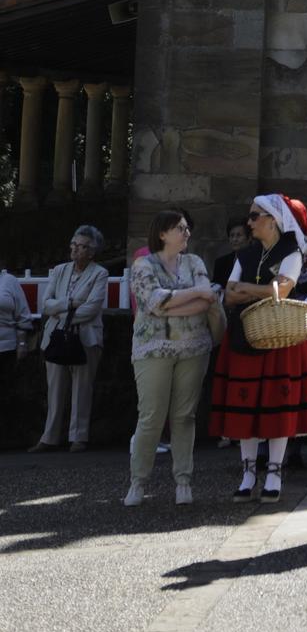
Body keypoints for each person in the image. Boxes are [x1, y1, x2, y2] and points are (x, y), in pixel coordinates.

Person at [209, 194, 307, 497]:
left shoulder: (292, 252)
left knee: (278, 403)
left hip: (281, 337)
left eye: (253, 216)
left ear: (271, 220)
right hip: (244, 334)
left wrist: (246, 288)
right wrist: (259, 291)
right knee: (245, 404)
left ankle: (274, 472)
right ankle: (248, 473)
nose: (249, 222)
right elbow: (229, 295)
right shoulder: (246, 255)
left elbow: (284, 288)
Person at [124, 210, 221, 508]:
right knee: (151, 416)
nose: (187, 232)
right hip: (153, 349)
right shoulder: (143, 265)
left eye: (186, 228)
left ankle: (183, 480)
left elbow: (206, 302)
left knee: (184, 416)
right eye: (180, 228)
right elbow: (153, 301)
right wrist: (194, 294)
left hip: (193, 348)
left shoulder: (194, 262)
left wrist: (171, 305)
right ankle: (138, 481)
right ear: (163, 233)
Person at [31, 225, 109, 452]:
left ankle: (78, 437)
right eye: (74, 245)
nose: (75, 250)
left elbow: (92, 309)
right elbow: (45, 304)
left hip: (86, 338)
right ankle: (49, 437)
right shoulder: (59, 270)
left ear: (92, 252)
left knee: (82, 388)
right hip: (56, 337)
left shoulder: (99, 273)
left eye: (82, 246)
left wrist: (61, 311)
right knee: (54, 388)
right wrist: (70, 304)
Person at [0, 258, 34, 401]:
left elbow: (23, 314)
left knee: (5, 396)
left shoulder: (9, 281)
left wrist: (22, 344)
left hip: (6, 349)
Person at [211, 218, 250, 289]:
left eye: (239, 235)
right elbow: (216, 288)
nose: (234, 239)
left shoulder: (257, 260)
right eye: (232, 236)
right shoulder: (221, 263)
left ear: (249, 238)